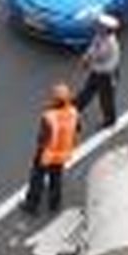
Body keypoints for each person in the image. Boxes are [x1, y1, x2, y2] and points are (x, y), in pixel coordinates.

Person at [20, 82, 80, 215]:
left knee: (37, 178)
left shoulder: (49, 116)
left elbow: (42, 138)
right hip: (63, 153)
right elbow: (77, 130)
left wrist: (40, 152)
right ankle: (55, 203)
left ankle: (31, 205)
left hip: (47, 153)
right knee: (56, 177)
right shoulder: (73, 112)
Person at [75, 14, 120, 129]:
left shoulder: (110, 43)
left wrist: (88, 60)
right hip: (98, 70)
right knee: (88, 90)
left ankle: (109, 120)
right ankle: (75, 108)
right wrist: (87, 55)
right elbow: (93, 47)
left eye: (101, 26)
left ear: (107, 29)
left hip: (107, 74)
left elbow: (99, 55)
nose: (98, 27)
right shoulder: (100, 36)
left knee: (105, 97)